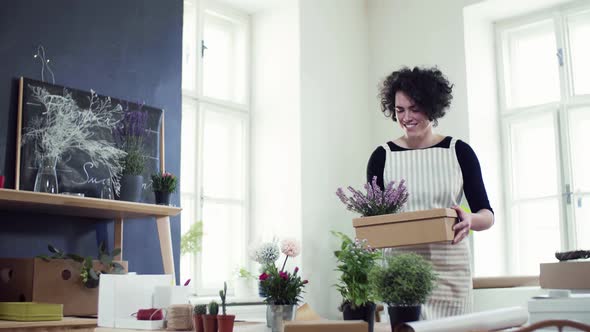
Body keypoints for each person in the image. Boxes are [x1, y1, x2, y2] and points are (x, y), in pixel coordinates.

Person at [366, 66, 494, 319]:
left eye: (415, 108)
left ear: (432, 108)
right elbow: (374, 222)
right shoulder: (382, 156)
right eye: (400, 110)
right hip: (401, 271)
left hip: (451, 270)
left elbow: (487, 215)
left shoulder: (459, 152)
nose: (406, 117)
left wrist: (469, 219)